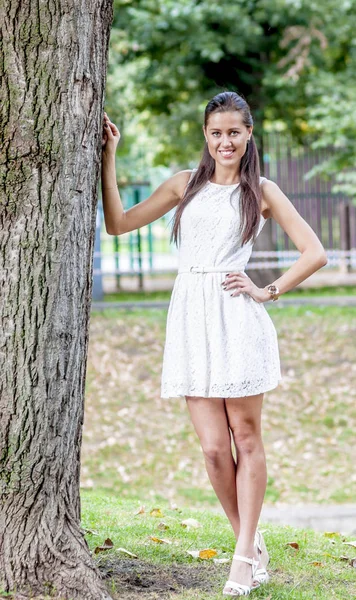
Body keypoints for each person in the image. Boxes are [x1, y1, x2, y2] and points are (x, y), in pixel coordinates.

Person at [101, 91, 327, 597]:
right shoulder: (184, 185)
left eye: (234, 132)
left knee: (246, 439)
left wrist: (266, 290)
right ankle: (250, 539)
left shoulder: (262, 191)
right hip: (190, 320)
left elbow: (313, 253)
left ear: (249, 136)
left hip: (237, 317)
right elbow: (117, 224)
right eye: (216, 132)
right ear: (205, 136)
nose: (225, 141)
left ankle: (243, 556)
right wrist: (108, 156)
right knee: (211, 449)